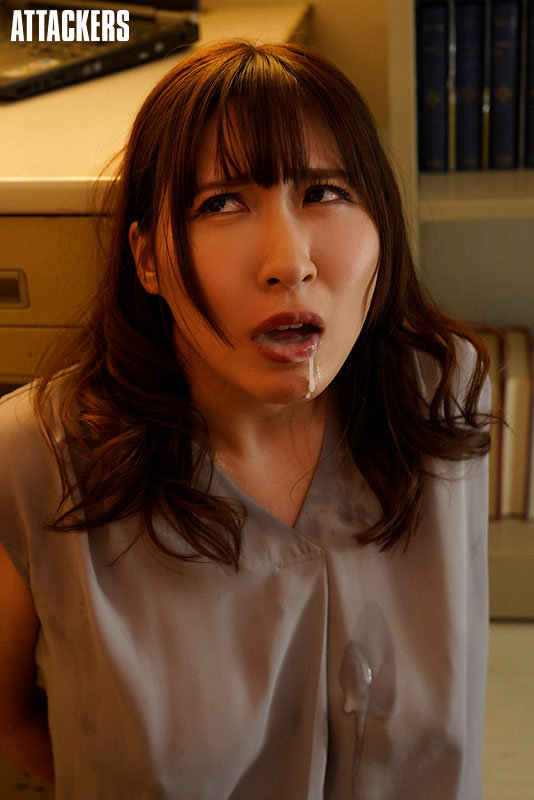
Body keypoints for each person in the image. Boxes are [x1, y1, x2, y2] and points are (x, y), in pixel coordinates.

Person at [0, 40, 492, 799]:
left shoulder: (442, 396)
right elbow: (11, 720)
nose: (288, 262)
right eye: (222, 203)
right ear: (148, 260)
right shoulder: (33, 459)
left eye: (324, 191)